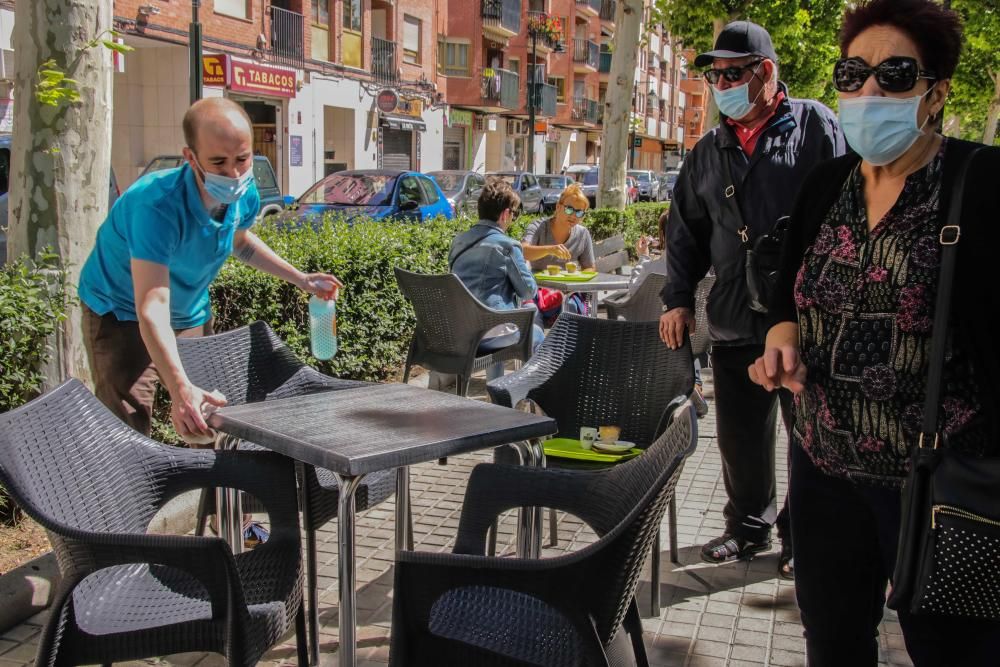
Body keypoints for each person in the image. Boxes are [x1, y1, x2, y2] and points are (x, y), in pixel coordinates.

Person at [748, 0, 1000, 663]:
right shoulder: (826, 183)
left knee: (953, 650)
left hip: (940, 482)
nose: (868, 91)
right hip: (822, 466)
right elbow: (786, 288)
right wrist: (782, 337)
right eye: (852, 72)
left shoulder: (984, 184)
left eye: (893, 74)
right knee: (833, 643)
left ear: (935, 92)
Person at [659, 20, 846, 577]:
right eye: (715, 75)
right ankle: (746, 529)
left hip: (804, 321)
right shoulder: (708, 149)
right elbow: (684, 232)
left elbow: (848, 209)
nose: (721, 84)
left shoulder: (817, 127)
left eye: (732, 73)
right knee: (741, 440)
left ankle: (803, 537)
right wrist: (677, 298)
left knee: (808, 439)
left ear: (765, 72)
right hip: (736, 318)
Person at [79, 97, 341, 444]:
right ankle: (120, 496)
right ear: (191, 157)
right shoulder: (155, 206)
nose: (233, 173)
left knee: (207, 417)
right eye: (218, 162)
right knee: (127, 426)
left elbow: (241, 242)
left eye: (242, 159)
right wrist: (179, 388)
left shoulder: (244, 194)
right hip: (122, 311)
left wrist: (302, 279)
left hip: (189, 311)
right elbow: (152, 307)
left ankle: (211, 494)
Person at [449, 177, 544, 381]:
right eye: (514, 214)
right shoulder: (507, 245)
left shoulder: (458, 242)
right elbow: (528, 292)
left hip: (459, 333)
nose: (513, 219)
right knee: (536, 333)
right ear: (505, 214)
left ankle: (496, 389)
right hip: (489, 335)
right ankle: (531, 394)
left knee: (496, 317)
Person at [522, 182, 596, 317]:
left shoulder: (582, 234)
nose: (573, 216)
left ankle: (566, 338)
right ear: (558, 207)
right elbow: (523, 251)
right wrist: (550, 249)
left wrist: (575, 278)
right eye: (569, 209)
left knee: (571, 307)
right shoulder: (539, 227)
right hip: (539, 292)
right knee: (532, 313)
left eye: (579, 212)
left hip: (568, 293)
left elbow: (589, 268)